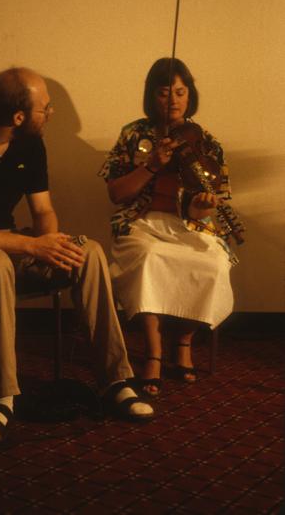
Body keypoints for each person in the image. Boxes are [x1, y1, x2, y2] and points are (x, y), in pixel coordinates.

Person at [0, 67, 153, 445]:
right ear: (18, 116)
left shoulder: (31, 143)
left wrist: (49, 243)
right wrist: (31, 246)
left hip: (10, 242)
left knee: (89, 252)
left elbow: (43, 211)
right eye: (45, 108)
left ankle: (115, 380)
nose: (51, 113)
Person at [99, 58, 237, 397]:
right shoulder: (133, 134)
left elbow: (215, 199)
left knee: (214, 263)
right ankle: (154, 351)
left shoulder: (206, 141)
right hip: (140, 222)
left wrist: (201, 208)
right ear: (151, 95)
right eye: (164, 93)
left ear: (190, 95)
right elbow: (116, 194)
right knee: (149, 258)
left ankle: (184, 342)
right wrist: (150, 166)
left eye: (180, 92)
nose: (173, 100)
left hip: (190, 225)